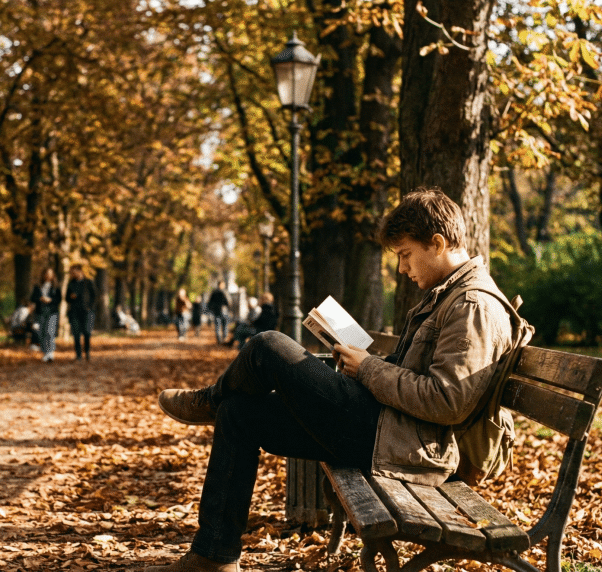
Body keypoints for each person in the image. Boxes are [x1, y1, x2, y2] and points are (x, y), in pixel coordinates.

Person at [148, 188, 520, 572]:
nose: (403, 269)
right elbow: (419, 375)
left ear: (437, 244)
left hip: (407, 445)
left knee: (268, 346)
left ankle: (209, 400)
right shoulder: (447, 297)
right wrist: (362, 362)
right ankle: (213, 557)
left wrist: (369, 369)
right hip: (389, 430)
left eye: (406, 255)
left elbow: (447, 401)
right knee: (238, 412)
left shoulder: (473, 305)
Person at [29, 268, 62, 362]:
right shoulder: (37, 286)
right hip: (40, 312)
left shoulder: (56, 287)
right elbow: (33, 298)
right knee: (42, 333)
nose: (48, 275)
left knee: (50, 332)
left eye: (51, 274)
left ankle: (50, 353)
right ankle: (45, 352)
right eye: (47, 273)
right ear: (43, 275)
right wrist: (40, 298)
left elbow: (59, 299)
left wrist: (50, 300)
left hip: (52, 312)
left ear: (53, 275)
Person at [65, 264, 97, 361]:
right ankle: (78, 355)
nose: (73, 274)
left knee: (87, 332)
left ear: (80, 271)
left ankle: (87, 352)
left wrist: (90, 307)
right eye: (72, 273)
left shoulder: (88, 282)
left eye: (74, 272)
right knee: (76, 334)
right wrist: (70, 297)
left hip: (87, 312)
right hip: (74, 312)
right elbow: (66, 298)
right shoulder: (71, 284)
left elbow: (95, 296)